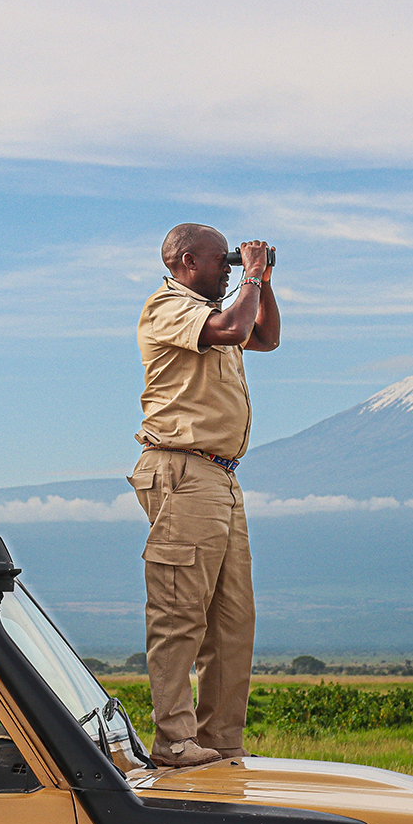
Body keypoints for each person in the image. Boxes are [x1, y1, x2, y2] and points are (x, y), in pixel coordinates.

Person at [130, 224, 278, 766]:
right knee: (180, 611)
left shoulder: (225, 311)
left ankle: (219, 741)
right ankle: (174, 741)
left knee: (235, 619)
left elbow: (265, 336)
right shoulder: (167, 306)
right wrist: (254, 277)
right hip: (184, 470)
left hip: (220, 476)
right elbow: (238, 329)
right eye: (224, 261)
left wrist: (262, 282)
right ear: (186, 261)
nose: (230, 269)